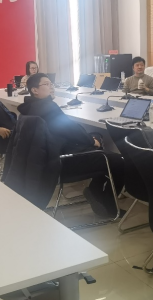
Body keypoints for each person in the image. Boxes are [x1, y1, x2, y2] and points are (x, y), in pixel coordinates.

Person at [18, 73, 125, 217]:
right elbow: (71, 130)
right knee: (118, 161)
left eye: (51, 84)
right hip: (64, 162)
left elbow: (69, 130)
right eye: (47, 84)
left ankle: (95, 191)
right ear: (34, 90)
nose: (51, 87)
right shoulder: (47, 108)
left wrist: (89, 139)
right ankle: (106, 201)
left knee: (98, 142)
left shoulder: (30, 107)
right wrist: (91, 141)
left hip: (51, 160)